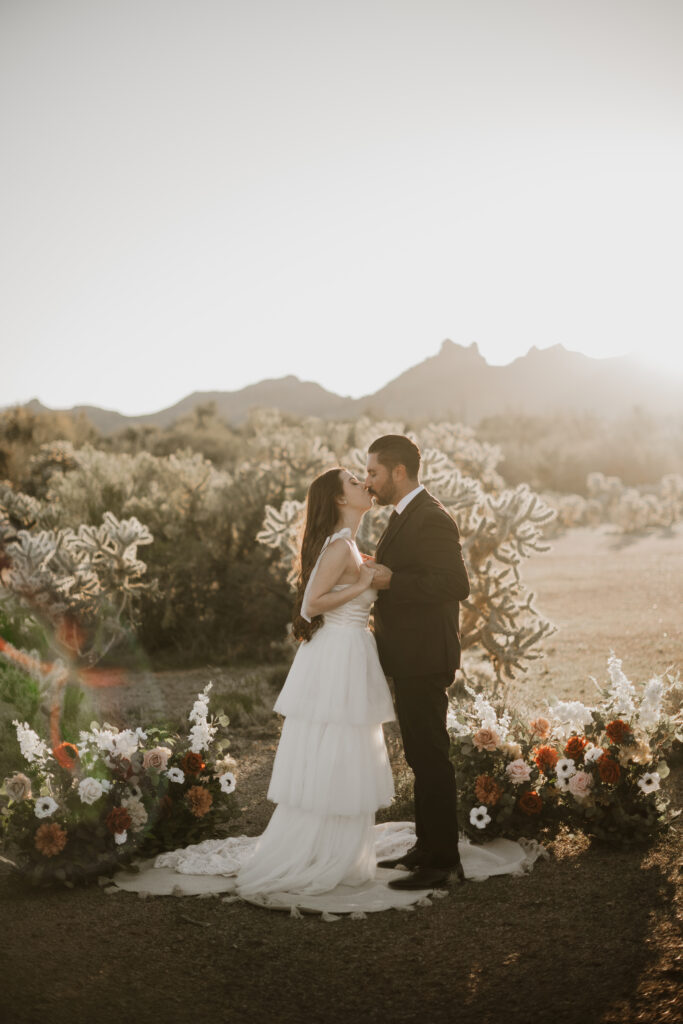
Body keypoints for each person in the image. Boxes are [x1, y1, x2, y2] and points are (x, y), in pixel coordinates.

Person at [365, 434, 470, 890]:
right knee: (420, 755)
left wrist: (391, 582)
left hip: (426, 655)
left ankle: (444, 862)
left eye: (373, 472)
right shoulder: (403, 516)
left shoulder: (431, 517)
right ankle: (427, 847)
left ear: (398, 472)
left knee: (431, 757)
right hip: (409, 656)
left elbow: (454, 582)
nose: (369, 482)